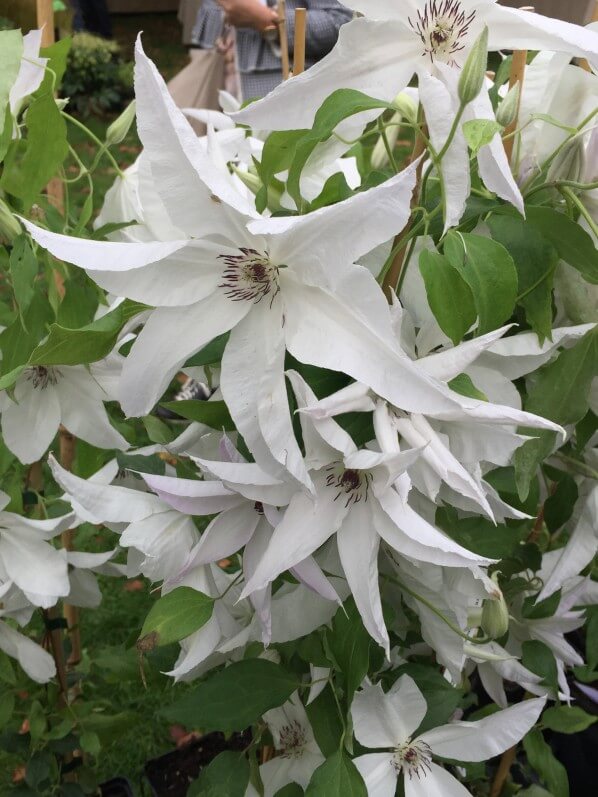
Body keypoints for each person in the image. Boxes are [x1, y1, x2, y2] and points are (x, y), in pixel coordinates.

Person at [192, 0, 352, 100]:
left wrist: (264, 19)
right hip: (220, 89)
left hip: (289, 96)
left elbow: (340, 23)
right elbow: (207, 25)